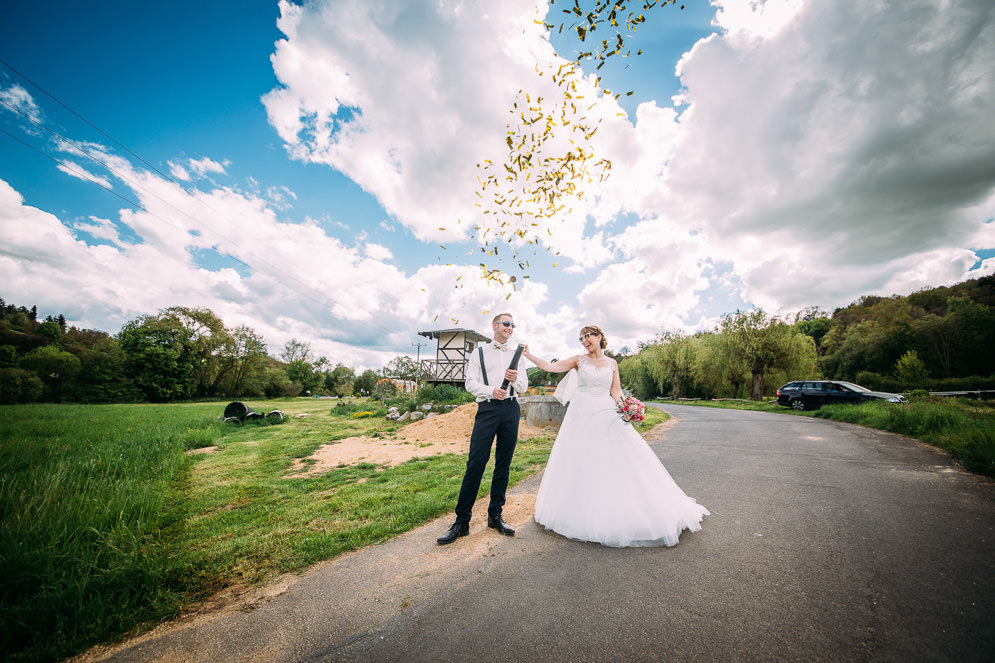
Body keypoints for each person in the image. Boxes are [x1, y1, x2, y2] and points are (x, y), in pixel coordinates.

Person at [522, 325, 709, 547]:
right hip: (580, 416)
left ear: (599, 337)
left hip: (606, 413)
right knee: (581, 458)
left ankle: (616, 505)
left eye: (587, 336)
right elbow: (550, 367)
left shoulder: (612, 363)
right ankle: (580, 507)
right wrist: (528, 354)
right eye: (581, 338)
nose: (584, 340)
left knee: (615, 457)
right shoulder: (578, 361)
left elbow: (616, 391)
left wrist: (628, 408)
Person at [437, 313, 530, 545]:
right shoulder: (478, 353)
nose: (510, 327)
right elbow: (470, 383)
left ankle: (495, 515)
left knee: (503, 463)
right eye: (506, 323)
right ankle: (461, 522)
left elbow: (524, 386)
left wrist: (515, 378)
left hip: (510, 409)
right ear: (495, 326)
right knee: (476, 463)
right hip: (487, 410)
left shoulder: (517, 354)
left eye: (513, 324)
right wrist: (491, 391)